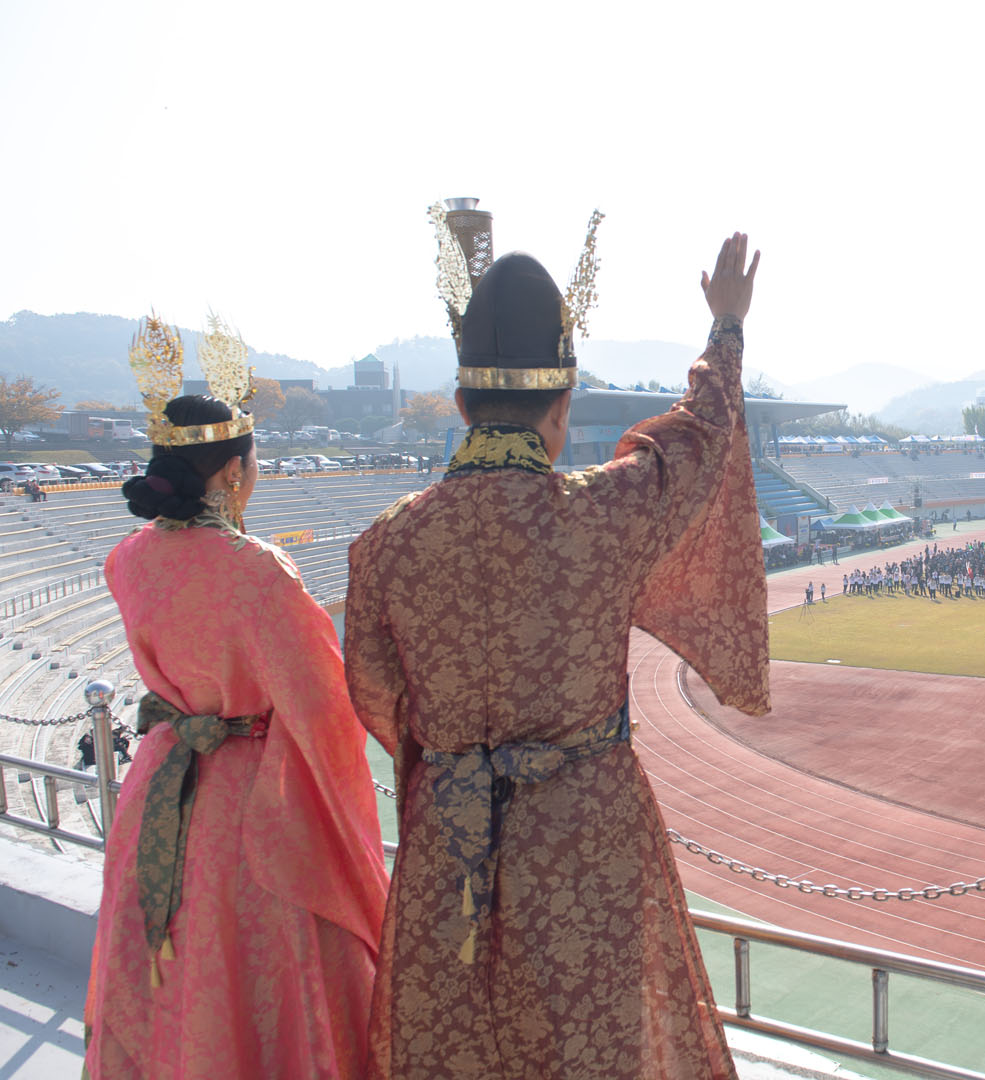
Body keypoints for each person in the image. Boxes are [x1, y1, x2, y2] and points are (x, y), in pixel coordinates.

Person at [346, 235, 770, 1077]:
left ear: (461, 404)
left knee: (457, 1041)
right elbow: (697, 437)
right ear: (564, 404)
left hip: (449, 844)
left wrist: (459, 760)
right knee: (592, 1041)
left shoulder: (386, 544)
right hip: (587, 842)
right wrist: (725, 326)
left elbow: (376, 692)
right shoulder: (603, 512)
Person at [87, 386, 387, 1077]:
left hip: (157, 785)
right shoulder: (257, 569)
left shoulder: (128, 557)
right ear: (230, 471)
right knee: (250, 962)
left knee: (171, 964)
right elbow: (320, 703)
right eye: (254, 462)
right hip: (243, 803)